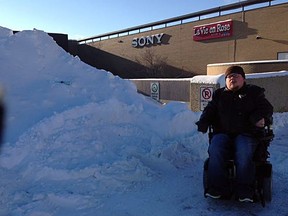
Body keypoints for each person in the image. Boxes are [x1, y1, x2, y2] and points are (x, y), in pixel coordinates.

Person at [196, 66, 273, 203]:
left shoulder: (254, 93)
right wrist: (203, 122)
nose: (232, 78)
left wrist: (257, 117)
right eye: (229, 77)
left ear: (243, 79)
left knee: (243, 149)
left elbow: (267, 109)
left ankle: (245, 189)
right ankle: (218, 187)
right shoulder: (219, 95)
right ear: (225, 81)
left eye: (236, 75)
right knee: (216, 147)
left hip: (247, 134)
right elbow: (209, 110)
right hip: (223, 133)